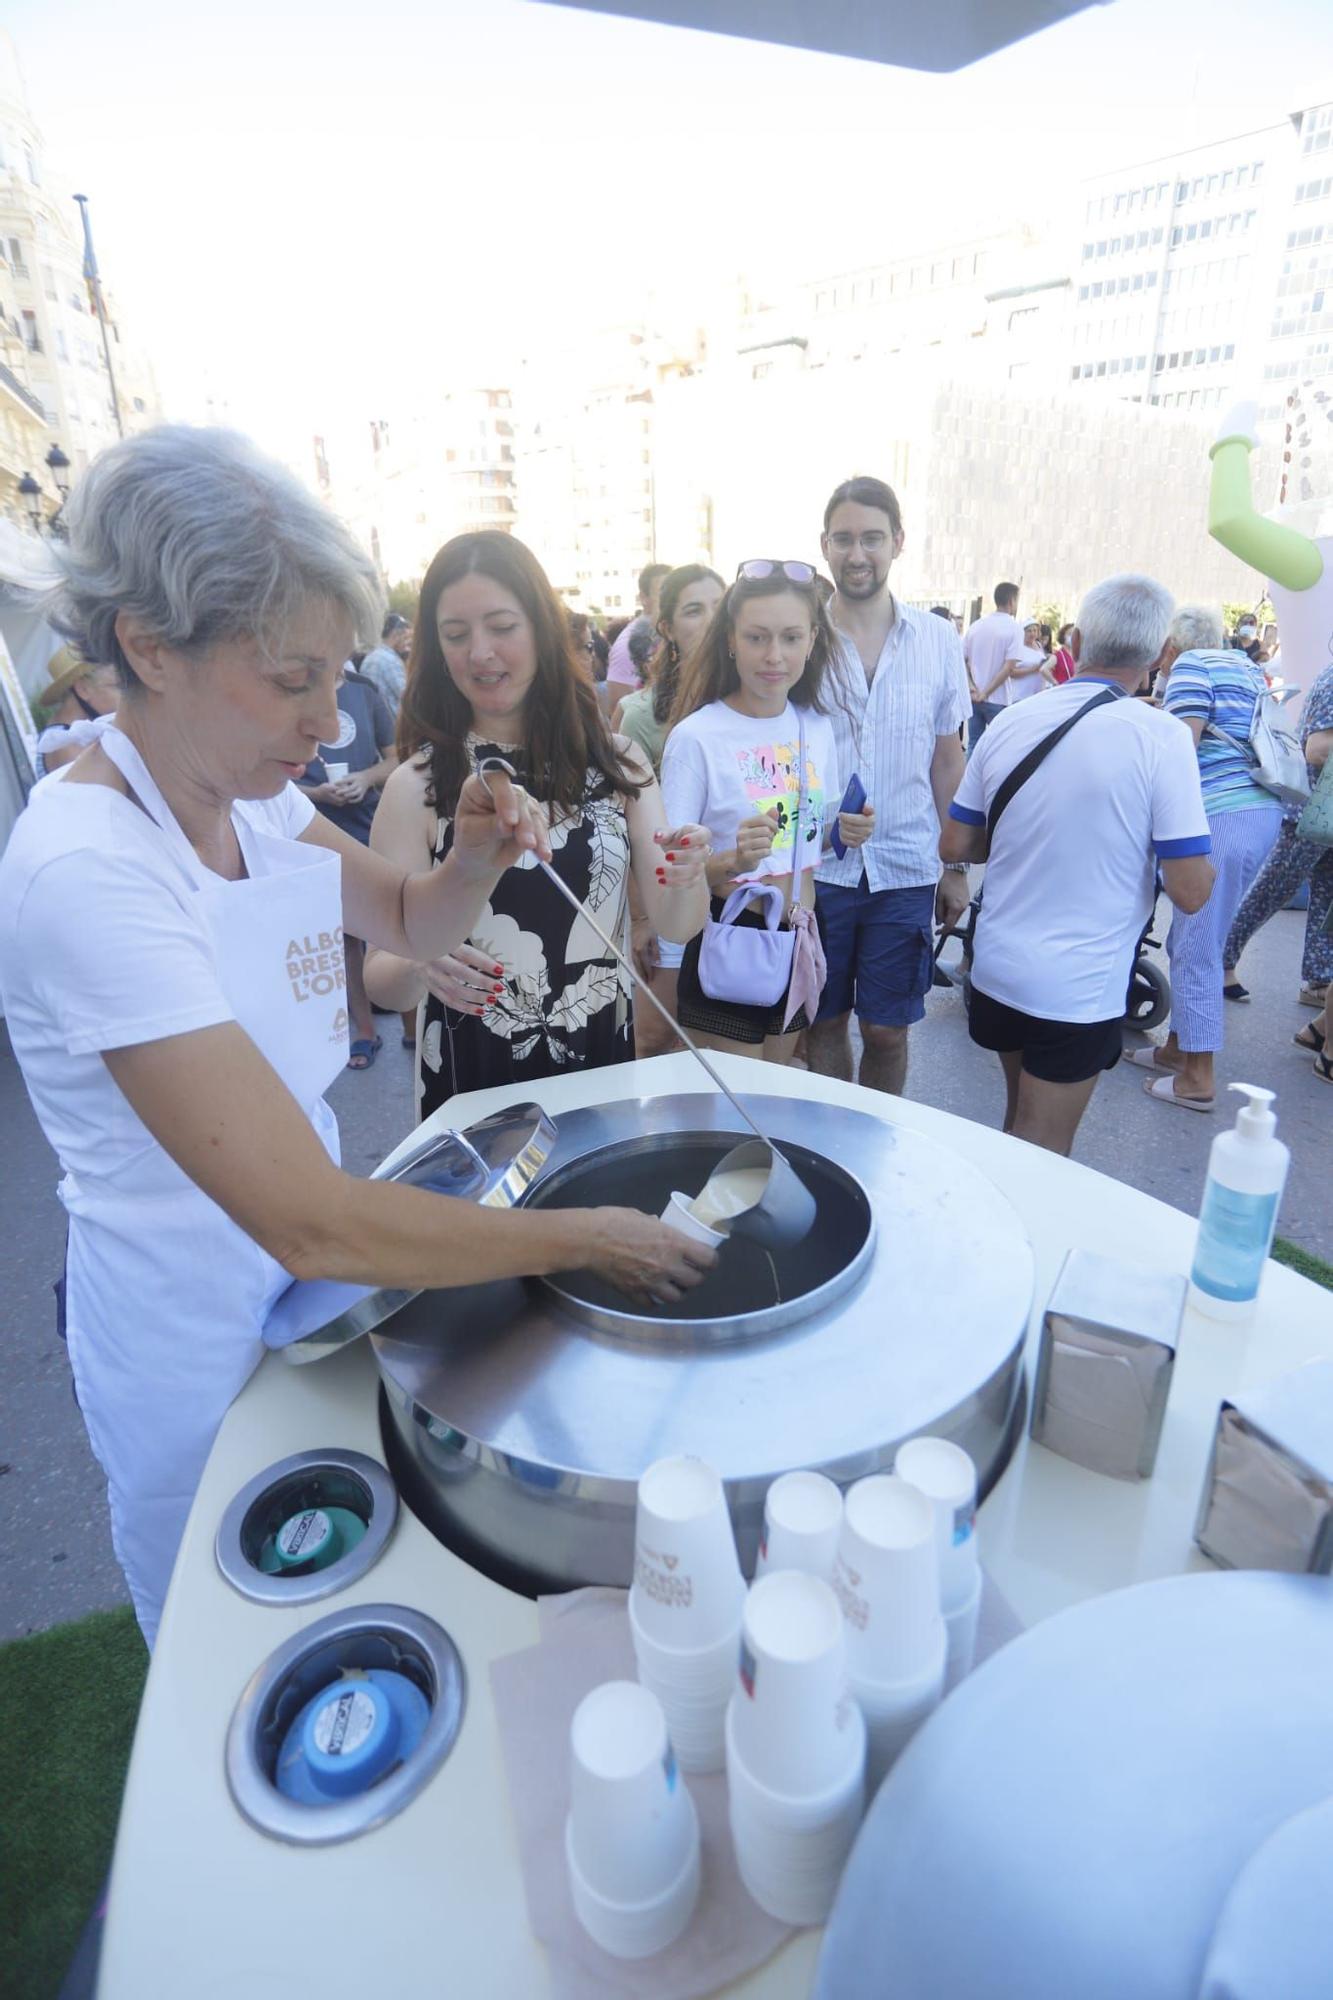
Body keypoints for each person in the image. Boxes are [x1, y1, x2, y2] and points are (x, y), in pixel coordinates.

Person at [0, 429, 713, 1648]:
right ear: (148, 646)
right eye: (291, 680)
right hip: (191, 1328)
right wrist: (588, 1238)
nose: (328, 720)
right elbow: (307, 1212)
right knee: (232, 1640)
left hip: (311, 1292)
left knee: (342, 1588)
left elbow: (401, 914)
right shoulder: (88, 870)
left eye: (337, 673)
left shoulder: (256, 798)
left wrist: (476, 854)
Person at [364, 532, 710, 1117]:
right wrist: (422, 960)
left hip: (599, 1059)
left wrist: (687, 870)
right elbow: (381, 979)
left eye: (501, 627)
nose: (480, 652)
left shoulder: (619, 762)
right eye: (456, 635)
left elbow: (679, 924)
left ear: (542, 631)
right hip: (473, 1078)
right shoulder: (417, 786)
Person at [941, 574, 1214, 1156]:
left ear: (1081, 638)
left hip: (998, 969)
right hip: (1078, 989)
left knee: (1017, 1127)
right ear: (1163, 653)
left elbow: (956, 845)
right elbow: (1191, 891)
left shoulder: (1012, 721)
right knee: (1043, 1151)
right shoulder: (1162, 738)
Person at [806, 476, 971, 1097]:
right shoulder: (803, 639)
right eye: (844, 539)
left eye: (872, 538)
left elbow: (947, 760)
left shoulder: (936, 639)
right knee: (822, 1022)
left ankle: (877, 1140)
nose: (857, 554)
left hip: (906, 866)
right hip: (817, 868)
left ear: (897, 542)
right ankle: (832, 1138)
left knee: (887, 1030)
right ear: (824, 545)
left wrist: (955, 866)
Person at [662, 559, 856, 1062]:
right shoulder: (697, 738)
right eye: (757, 638)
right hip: (732, 935)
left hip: (801, 934)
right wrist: (732, 862)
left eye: (791, 638)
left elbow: (805, 841)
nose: (775, 656)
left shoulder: (815, 727)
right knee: (734, 1113)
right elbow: (665, 876)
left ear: (812, 640)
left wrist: (846, 832)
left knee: (777, 1093)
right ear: (730, 639)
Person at [1126, 611, 1283, 1111]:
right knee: (1192, 936)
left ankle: (1198, 1076)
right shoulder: (1241, 666)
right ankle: (1178, 1049)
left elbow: (1181, 746)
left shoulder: (1191, 665)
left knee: (1197, 941)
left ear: (1171, 643)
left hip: (1220, 814)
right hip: (1257, 811)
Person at [614, 565, 725, 1058]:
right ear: (667, 629)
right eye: (693, 610)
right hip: (667, 901)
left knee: (723, 1048)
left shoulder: (753, 701)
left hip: (735, 905)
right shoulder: (641, 714)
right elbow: (619, 821)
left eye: (719, 607)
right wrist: (640, 919)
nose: (709, 621)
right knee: (656, 1037)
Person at [296, 662, 398, 1068]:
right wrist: (315, 793)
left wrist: (366, 778)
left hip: (369, 823)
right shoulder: (292, 687)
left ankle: (409, 1023)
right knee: (344, 936)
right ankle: (365, 1030)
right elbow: (270, 778)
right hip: (314, 830)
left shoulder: (364, 691)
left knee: (389, 920)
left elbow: (395, 759)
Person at [1221, 660, 1333, 1017]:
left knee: (1327, 900)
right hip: (1312, 809)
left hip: (1323, 812)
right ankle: (1222, 961)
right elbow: (1316, 749)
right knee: (1271, 891)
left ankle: (1319, 979)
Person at [33, 647, 120, 774]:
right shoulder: (70, 747)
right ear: (83, 689)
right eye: (118, 686)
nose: (127, 697)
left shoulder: (63, 735)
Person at [962, 583, 1022, 750]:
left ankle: (969, 776)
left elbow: (961, 661)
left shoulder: (976, 626)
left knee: (974, 743)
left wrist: (972, 688)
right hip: (998, 699)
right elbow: (1009, 667)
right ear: (1011, 601)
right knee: (1000, 746)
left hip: (974, 698)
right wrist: (986, 692)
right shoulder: (1014, 628)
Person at [605, 562, 671, 695]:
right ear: (643, 598)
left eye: (674, 592)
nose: (671, 599)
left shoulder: (675, 634)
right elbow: (618, 708)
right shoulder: (626, 647)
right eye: (663, 592)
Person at [978, 616, 1047, 708]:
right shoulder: (1018, 648)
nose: (1032, 634)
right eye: (1029, 631)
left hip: (1037, 694)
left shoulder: (1038, 645)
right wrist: (1032, 669)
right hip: (1020, 696)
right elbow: (1011, 672)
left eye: (1035, 630)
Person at [359, 611, 413, 714]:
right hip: (391, 724)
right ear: (396, 635)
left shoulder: (370, 657)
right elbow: (407, 697)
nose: (406, 644)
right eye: (405, 638)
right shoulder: (391, 661)